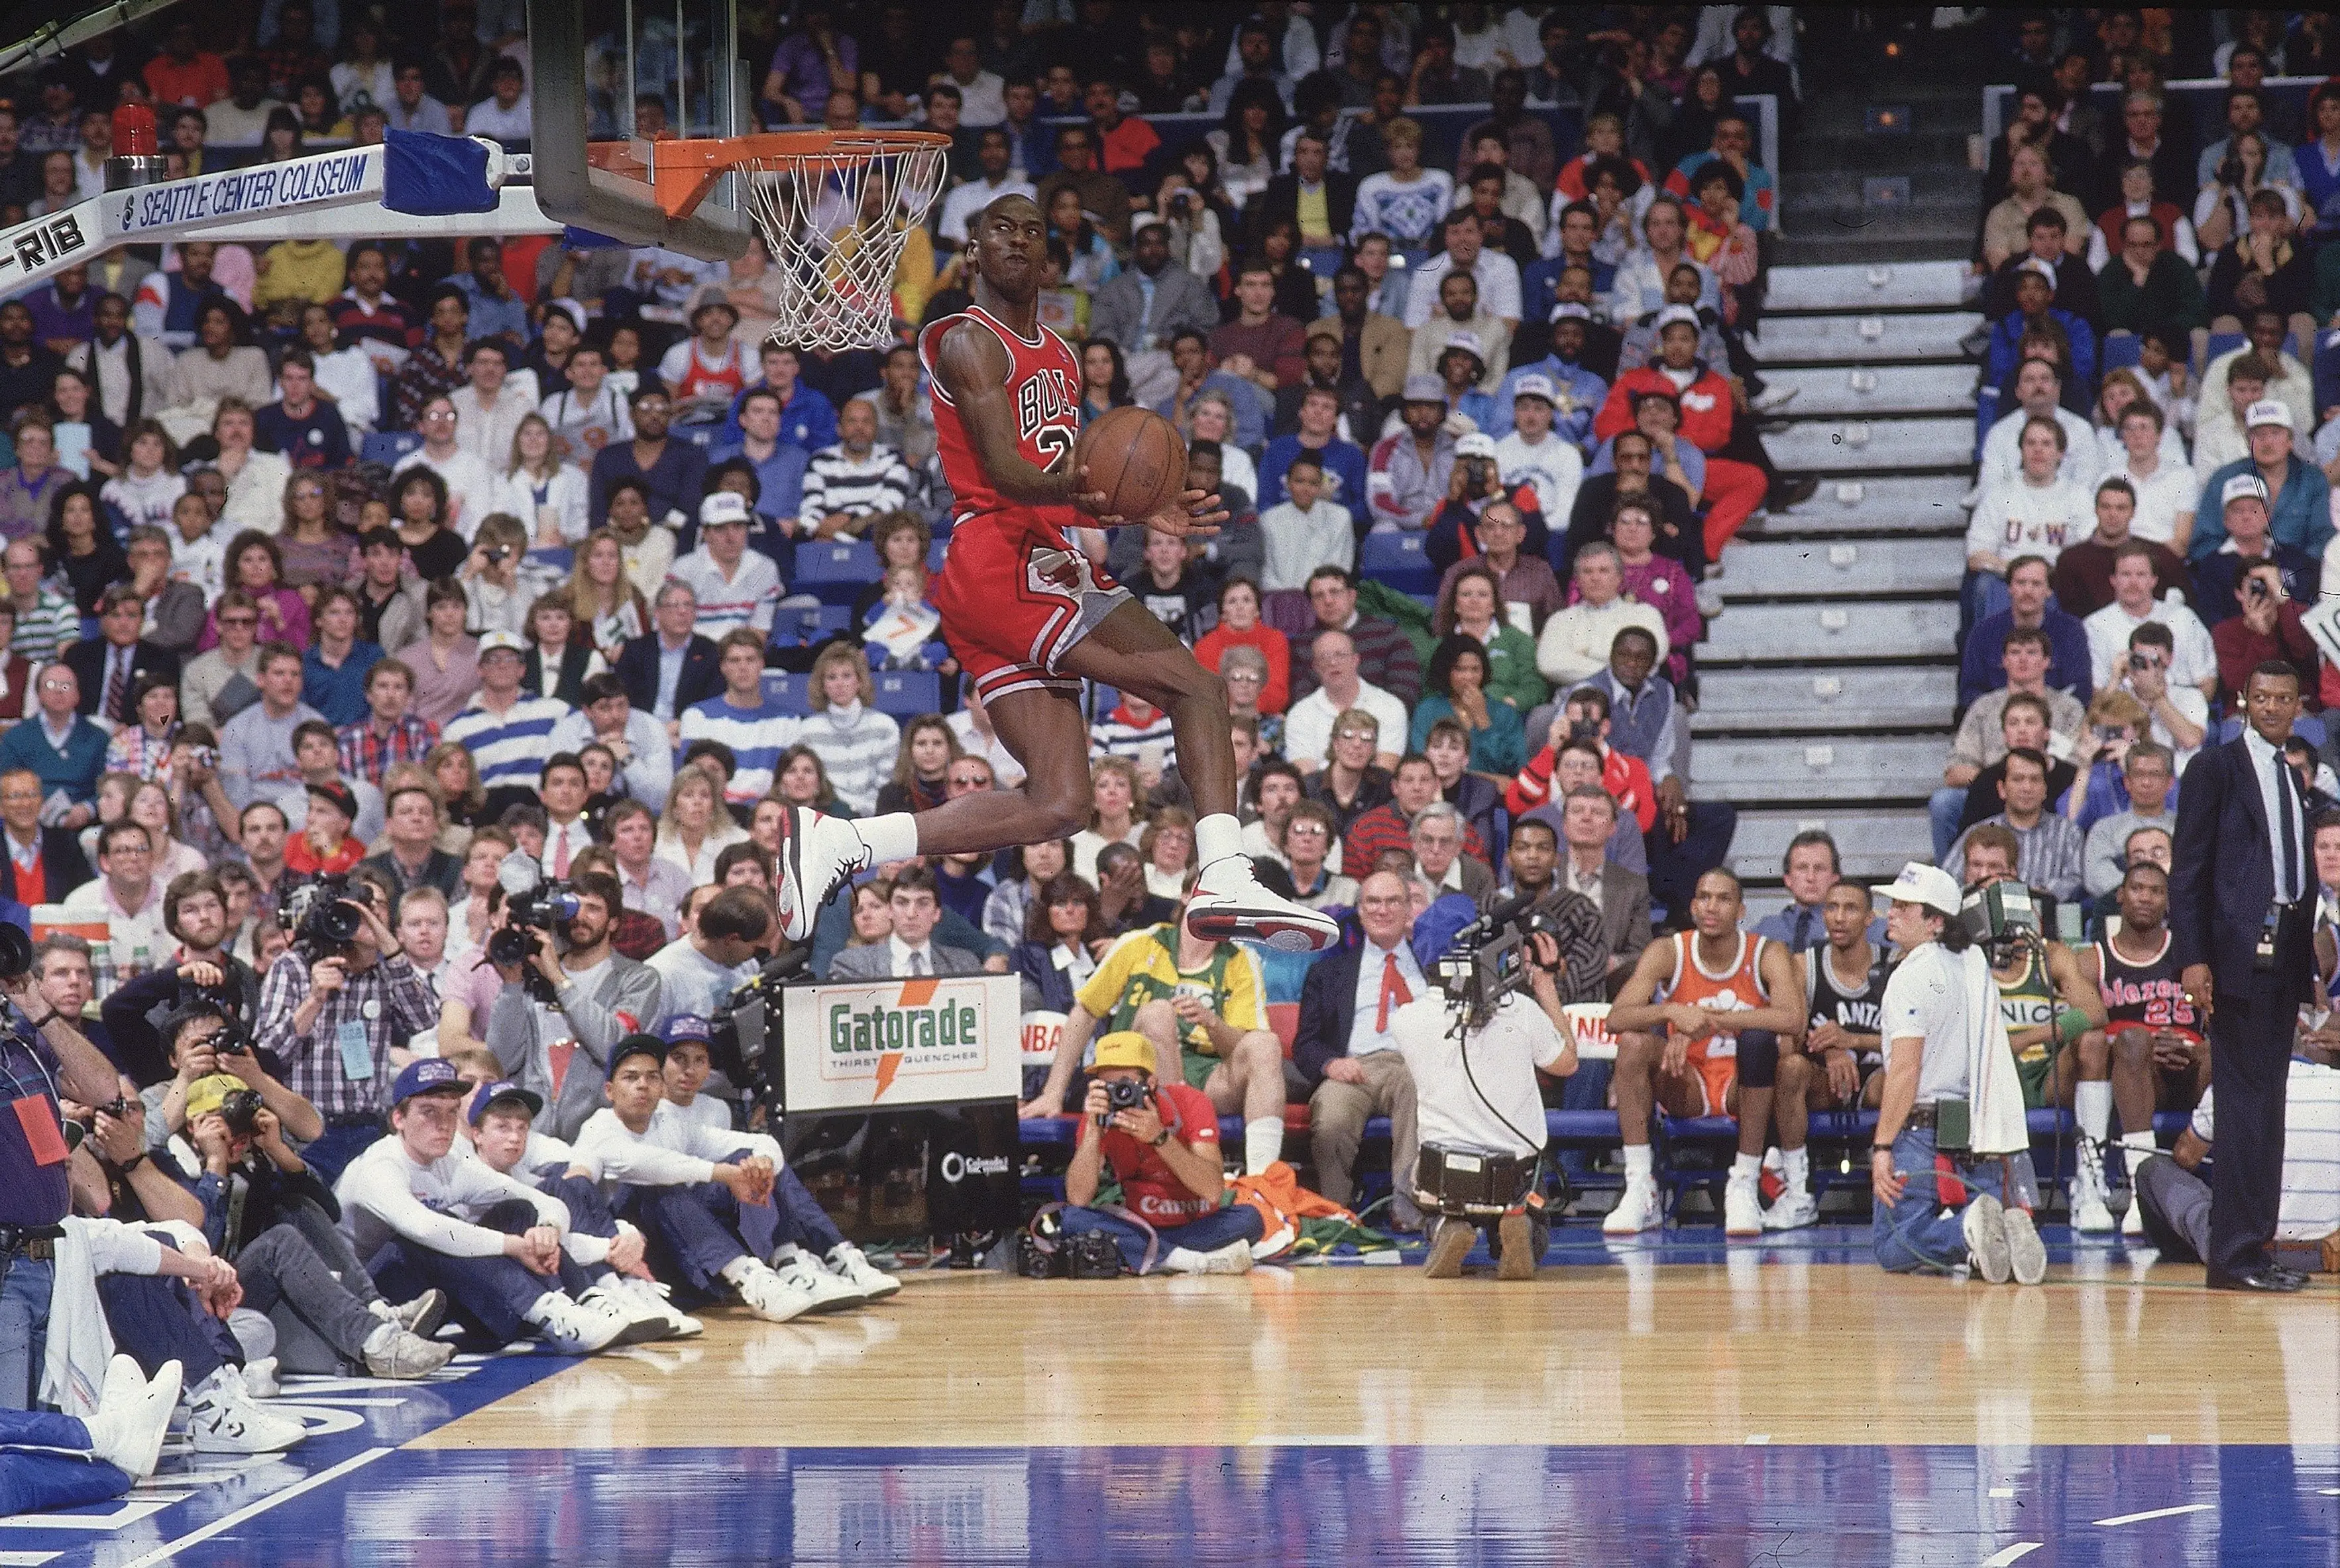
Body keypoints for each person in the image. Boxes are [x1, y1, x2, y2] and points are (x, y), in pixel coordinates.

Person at [781, 195, 1335, 958]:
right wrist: (1120, 504)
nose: (1015, 239)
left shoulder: (1062, 355)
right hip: (1001, 557)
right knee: (1198, 687)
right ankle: (1224, 872)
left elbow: (1062, 471)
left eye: (1032, 230)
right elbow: (1010, 472)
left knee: (1062, 801)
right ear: (972, 249)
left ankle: (843, 839)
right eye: (998, 227)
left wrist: (1125, 507)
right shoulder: (968, 342)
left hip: (1027, 561)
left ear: (1050, 258)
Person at [2168, 661, 2318, 1291]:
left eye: (2283, 699)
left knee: (2269, 1107)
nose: (2272, 708)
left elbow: (2291, 873)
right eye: (2261, 697)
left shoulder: (2291, 773)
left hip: (2283, 952)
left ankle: (2255, 1245)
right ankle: (2231, 1256)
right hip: (2234, 954)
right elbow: (2189, 868)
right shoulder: (2215, 767)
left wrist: (2305, 959)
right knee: (2243, 1105)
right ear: (2242, 701)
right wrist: (2193, 957)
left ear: (2297, 706)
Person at [333, 1060, 634, 1355]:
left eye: (451, 1112)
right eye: (428, 1112)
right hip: (360, 1298)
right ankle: (549, 1313)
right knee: (438, 1229)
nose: (443, 1124)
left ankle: (585, 1299)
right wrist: (514, 1246)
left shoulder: (451, 1162)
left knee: (519, 1210)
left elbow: (544, 1201)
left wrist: (548, 1230)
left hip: (429, 1294)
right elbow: (426, 1228)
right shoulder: (381, 1165)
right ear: (399, 1119)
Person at [1867, 862, 2049, 1284]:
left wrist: (1882, 1146)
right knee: (1977, 1249)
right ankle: (1991, 1232)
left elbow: (1906, 1070)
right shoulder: (1970, 965)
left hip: (1922, 1131)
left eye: (1903, 906)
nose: (1890, 913)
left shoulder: (1910, 976)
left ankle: (1967, 1229)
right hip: (1976, 1125)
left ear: (1934, 922)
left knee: (1895, 1245)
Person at [1602, 868, 1802, 1237]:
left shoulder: (1766, 952)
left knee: (1758, 1042)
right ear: (1693, 906)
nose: (1712, 907)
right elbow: (1617, 1017)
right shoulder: (1669, 950)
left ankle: (1744, 1181)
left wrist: (1712, 1020)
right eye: (1705, 898)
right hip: (1687, 1080)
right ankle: (1640, 1188)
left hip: (1745, 1085)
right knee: (1632, 1043)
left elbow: (1793, 1020)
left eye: (1724, 899)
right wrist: (1670, 1011)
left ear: (1741, 910)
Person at [254, 874, 441, 1183]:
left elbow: (424, 1020)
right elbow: (268, 1055)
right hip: (308, 1131)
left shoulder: (388, 972)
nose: (371, 914)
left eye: (377, 906)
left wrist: (392, 949)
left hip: (370, 1129)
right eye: (361, 906)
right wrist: (313, 1000)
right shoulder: (294, 966)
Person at [1292, 871, 1423, 1229]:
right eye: (1373, 902)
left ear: (1409, 908)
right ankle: (1338, 1213)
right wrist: (1331, 1064)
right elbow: (1305, 1044)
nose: (1383, 910)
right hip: (1354, 1067)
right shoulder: (1329, 972)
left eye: (1393, 901)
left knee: (1419, 1091)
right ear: (1360, 912)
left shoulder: (1433, 968)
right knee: (1332, 1116)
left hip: (1413, 1065)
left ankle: (1409, 1210)